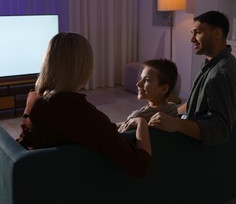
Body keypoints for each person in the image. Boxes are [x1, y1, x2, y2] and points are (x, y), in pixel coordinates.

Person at [16, 32, 151, 177]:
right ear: (83, 67)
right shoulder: (80, 113)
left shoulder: (35, 99)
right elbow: (140, 165)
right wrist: (142, 122)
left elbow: (79, 130)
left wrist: (120, 124)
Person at [148, 11, 236, 145]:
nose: (192, 39)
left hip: (195, 147)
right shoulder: (212, 63)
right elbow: (195, 104)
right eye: (192, 33)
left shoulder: (222, 74)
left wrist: (176, 124)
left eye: (198, 33)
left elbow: (220, 131)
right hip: (189, 123)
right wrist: (170, 113)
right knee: (141, 119)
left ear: (217, 34)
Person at [118, 59, 178, 132]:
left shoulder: (138, 117)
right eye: (141, 78)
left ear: (164, 89)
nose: (138, 84)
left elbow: (121, 134)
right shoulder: (172, 108)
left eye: (147, 80)